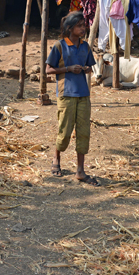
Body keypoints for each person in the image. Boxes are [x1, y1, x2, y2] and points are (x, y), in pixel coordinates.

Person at [46, 11, 99, 186]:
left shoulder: (85, 47)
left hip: (83, 94)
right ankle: (56, 159)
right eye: (80, 26)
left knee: (84, 132)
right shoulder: (59, 46)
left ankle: (80, 171)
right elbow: (48, 70)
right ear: (70, 28)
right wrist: (68, 69)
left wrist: (84, 69)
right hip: (66, 93)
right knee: (65, 131)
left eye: (84, 25)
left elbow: (90, 68)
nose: (84, 28)